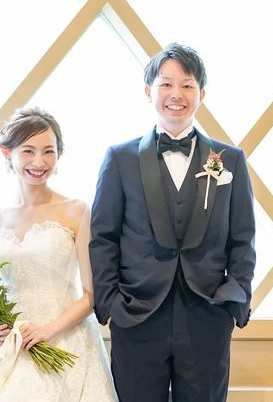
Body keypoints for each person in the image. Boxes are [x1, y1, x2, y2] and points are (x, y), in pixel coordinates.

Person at [89, 42, 256, 402]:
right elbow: (103, 238)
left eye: (187, 85)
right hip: (136, 315)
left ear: (201, 94)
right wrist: (111, 303)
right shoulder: (120, 158)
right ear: (148, 91)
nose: (176, 94)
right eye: (166, 84)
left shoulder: (230, 159)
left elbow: (243, 239)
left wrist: (234, 297)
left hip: (208, 314)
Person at [0, 107, 117, 401]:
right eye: (28, 151)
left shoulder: (77, 211)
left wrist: (47, 331)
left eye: (49, 151)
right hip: (5, 344)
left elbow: (91, 294)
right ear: (7, 153)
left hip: (63, 339)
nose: (39, 161)